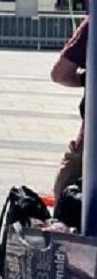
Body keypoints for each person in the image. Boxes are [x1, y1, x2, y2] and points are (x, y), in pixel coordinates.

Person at [51, 15, 88, 201]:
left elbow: (60, 73)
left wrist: (85, 79)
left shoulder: (93, 24)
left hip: (91, 139)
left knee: (67, 191)